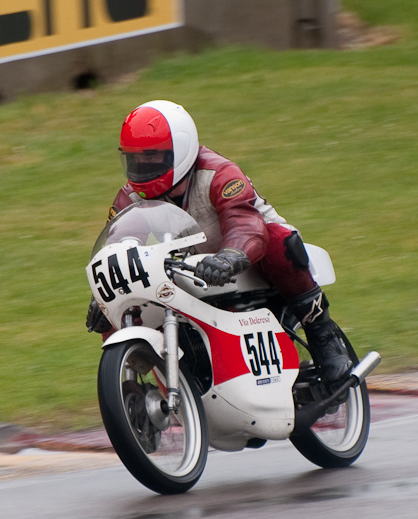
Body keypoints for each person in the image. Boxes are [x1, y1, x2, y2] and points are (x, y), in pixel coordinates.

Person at [86, 100, 352, 383]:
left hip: (251, 260)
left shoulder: (219, 174)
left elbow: (246, 225)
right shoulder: (131, 196)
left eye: (152, 156)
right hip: (194, 270)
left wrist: (231, 256)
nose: (142, 165)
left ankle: (322, 332)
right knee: (127, 305)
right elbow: (119, 248)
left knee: (279, 240)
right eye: (134, 158)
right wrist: (106, 299)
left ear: (181, 150)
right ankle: (146, 390)